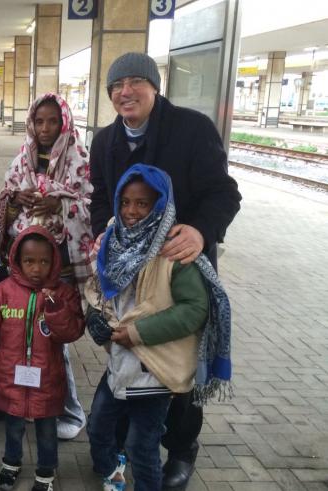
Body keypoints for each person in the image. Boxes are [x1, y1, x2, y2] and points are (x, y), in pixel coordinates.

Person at [88, 52, 242, 490]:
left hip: (181, 265)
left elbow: (223, 193)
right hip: (131, 273)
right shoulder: (105, 141)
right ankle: (127, 441)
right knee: (130, 352)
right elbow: (100, 197)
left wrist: (200, 230)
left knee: (177, 361)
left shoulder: (192, 129)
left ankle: (180, 447)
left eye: (136, 81)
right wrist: (103, 234)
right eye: (116, 85)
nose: (125, 91)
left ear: (155, 87)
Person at [85, 164, 231, 491]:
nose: (131, 211)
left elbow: (194, 309)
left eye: (142, 203)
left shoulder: (174, 252)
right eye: (125, 202)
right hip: (120, 364)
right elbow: (97, 288)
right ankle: (113, 474)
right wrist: (93, 316)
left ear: (161, 205)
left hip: (155, 370)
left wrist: (137, 332)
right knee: (98, 427)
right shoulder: (112, 241)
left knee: (141, 445)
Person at [0, 92, 92, 441]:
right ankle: (34, 403)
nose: (45, 128)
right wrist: (15, 199)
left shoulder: (79, 158)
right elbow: (4, 198)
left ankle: (69, 410)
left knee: (53, 339)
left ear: (64, 122)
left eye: (52, 121)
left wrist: (59, 204)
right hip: (25, 265)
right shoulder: (23, 157)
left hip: (59, 267)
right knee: (27, 336)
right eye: (39, 121)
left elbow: (89, 204)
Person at [0, 226, 85, 491]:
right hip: (11, 382)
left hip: (47, 384)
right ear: (17, 260)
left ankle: (45, 473)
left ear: (54, 261)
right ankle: (11, 463)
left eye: (44, 261)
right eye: (29, 261)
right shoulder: (2, 293)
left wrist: (56, 310)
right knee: (13, 428)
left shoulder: (62, 293)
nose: (36, 268)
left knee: (47, 432)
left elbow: (73, 331)